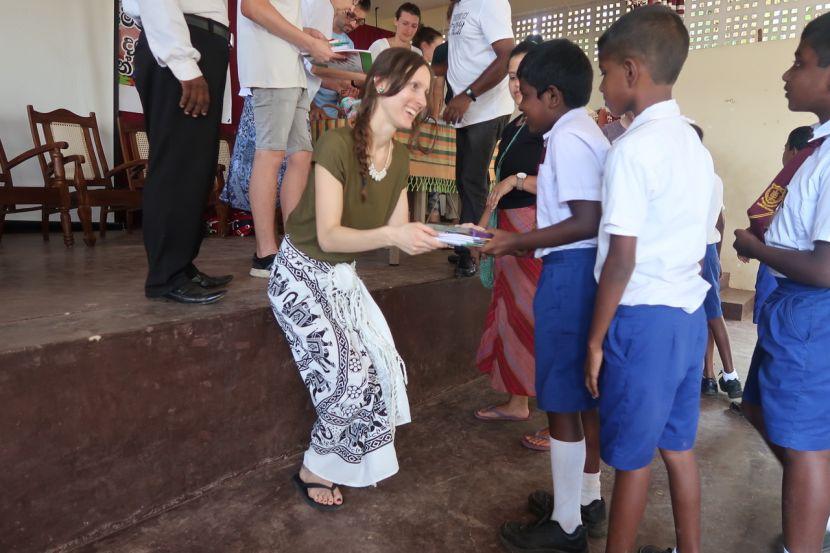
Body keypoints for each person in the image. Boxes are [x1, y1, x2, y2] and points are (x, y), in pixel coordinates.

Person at [269, 49, 443, 509]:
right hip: (300, 272)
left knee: (381, 378)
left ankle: (323, 465)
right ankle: (315, 468)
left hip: (341, 277)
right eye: (414, 87)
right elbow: (328, 233)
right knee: (349, 381)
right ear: (381, 83)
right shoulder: (336, 144)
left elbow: (398, 234)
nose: (421, 100)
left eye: (425, 91)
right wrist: (394, 234)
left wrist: (438, 237)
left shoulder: (401, 157)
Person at [583, 7, 714, 553]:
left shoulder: (632, 150)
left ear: (632, 72)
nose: (605, 86)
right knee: (678, 448)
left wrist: (595, 340)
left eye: (607, 73)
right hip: (689, 318)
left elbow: (621, 260)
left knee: (632, 461)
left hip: (643, 323)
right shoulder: (694, 146)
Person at [486, 40, 609, 553]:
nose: (523, 104)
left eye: (529, 95)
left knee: (559, 397)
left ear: (553, 96)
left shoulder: (565, 137)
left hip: (570, 272)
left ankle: (564, 527)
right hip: (584, 272)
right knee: (580, 397)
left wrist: (515, 240)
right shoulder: (584, 131)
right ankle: (583, 498)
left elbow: (584, 220)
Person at [734, 13, 830, 553]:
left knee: (805, 445)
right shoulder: (814, 149)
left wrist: (757, 249)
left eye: (801, 62)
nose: (788, 74)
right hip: (793, 310)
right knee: (761, 411)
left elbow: (825, 268)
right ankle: (816, 508)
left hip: (812, 310)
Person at [125, 0, 234, 304]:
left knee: (195, 165)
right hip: (182, 46)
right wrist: (184, 65)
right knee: (177, 163)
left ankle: (181, 266)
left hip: (201, 42)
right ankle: (165, 276)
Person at [472, 41, 543, 426]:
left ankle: (561, 420)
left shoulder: (552, 124)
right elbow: (498, 184)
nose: (517, 85)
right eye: (513, 77)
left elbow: (564, 181)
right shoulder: (517, 123)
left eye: (523, 76)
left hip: (533, 232)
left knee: (533, 319)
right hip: (508, 228)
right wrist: (483, 226)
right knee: (511, 315)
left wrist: (519, 180)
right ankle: (518, 402)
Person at [238, 0, 337, 278]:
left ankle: (293, 245)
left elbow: (276, 14)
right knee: (270, 154)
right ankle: (265, 252)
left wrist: (305, 33)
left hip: (291, 70)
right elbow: (252, 7)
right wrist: (306, 39)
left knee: (301, 156)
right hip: (271, 69)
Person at [444, 0, 515, 277]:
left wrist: (468, 95)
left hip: (485, 109)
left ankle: (472, 252)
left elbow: (506, 54)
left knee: (472, 182)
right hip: (468, 111)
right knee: (465, 179)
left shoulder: (490, 2)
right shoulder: (463, 5)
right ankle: (465, 245)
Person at [691, 123, 742, 399]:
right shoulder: (714, 177)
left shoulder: (692, 178)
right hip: (709, 248)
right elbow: (721, 222)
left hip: (695, 250)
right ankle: (708, 374)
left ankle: (730, 374)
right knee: (708, 314)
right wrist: (718, 256)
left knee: (712, 313)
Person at [749, 125, 815, 323]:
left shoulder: (791, 183)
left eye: (785, 147)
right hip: (792, 268)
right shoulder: (808, 179)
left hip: (781, 265)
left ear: (793, 151)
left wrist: (752, 242)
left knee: (771, 320)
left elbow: (770, 217)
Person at [312, 0, 372, 119]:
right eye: (351, 16)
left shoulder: (349, 43)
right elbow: (306, 71)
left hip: (335, 112)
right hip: (312, 108)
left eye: (359, 21)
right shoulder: (318, 31)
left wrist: (348, 91)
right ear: (345, 8)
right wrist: (312, 107)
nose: (354, 24)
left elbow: (346, 81)